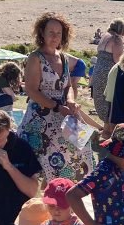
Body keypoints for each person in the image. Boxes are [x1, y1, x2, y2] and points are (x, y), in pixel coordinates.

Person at [16, 12, 84, 181]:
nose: (55, 36)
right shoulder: (35, 58)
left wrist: (70, 101)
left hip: (64, 115)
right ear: (42, 33)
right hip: (41, 116)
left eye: (59, 33)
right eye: (51, 32)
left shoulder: (64, 58)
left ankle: (61, 199)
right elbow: (31, 90)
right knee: (39, 164)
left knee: (78, 153)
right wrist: (57, 107)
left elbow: (67, 86)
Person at [91, 19, 124, 127]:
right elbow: (118, 60)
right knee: (110, 99)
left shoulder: (105, 36)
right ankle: (110, 128)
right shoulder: (116, 39)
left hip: (97, 71)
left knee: (101, 99)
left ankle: (106, 127)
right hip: (108, 73)